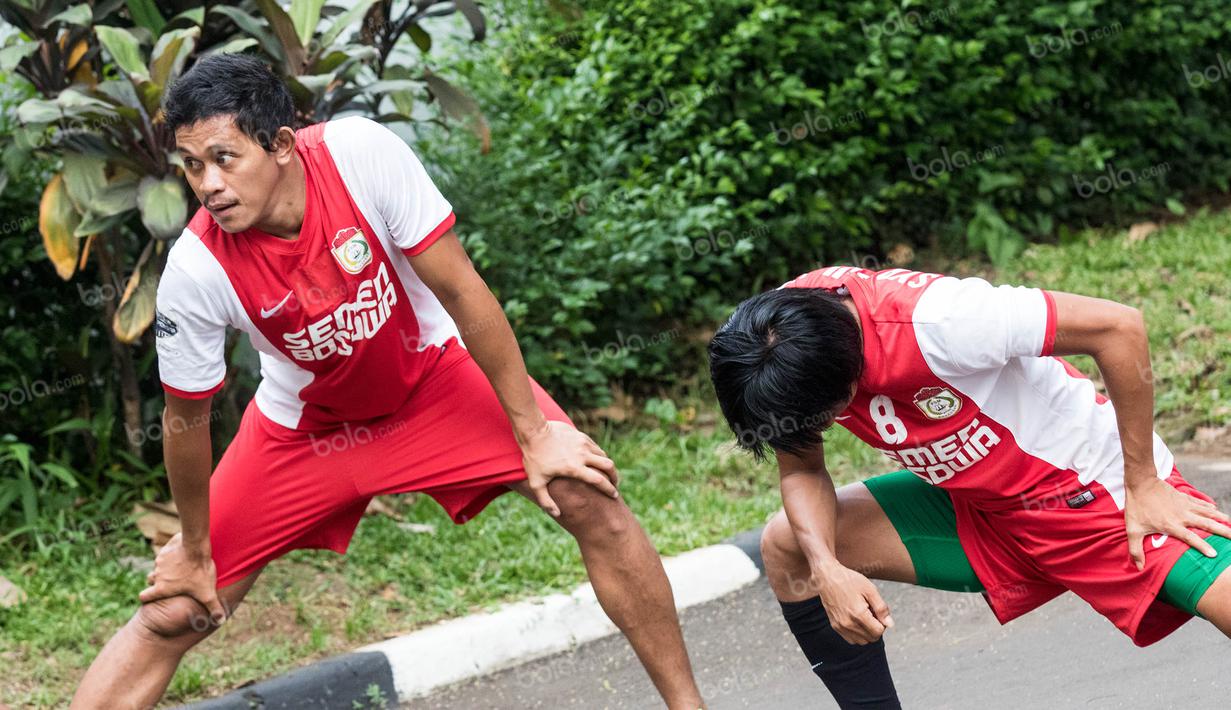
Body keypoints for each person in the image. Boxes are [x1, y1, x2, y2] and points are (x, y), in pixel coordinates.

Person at [70, 53, 704, 709]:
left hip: (432, 380)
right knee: (177, 611)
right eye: (191, 165)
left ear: (281, 144)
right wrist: (195, 548)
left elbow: (461, 291)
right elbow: (186, 418)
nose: (209, 184)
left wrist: (535, 434)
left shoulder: (358, 155)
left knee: (589, 495)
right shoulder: (197, 268)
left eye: (224, 158)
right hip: (306, 432)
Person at [707, 264, 1231, 708]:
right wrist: (827, 567)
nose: (819, 429)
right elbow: (801, 469)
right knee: (790, 546)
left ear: (851, 371)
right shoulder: (778, 347)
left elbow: (1118, 327)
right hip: (973, 506)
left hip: (1087, 490)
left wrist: (1144, 481)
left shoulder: (940, 319)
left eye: (824, 416)